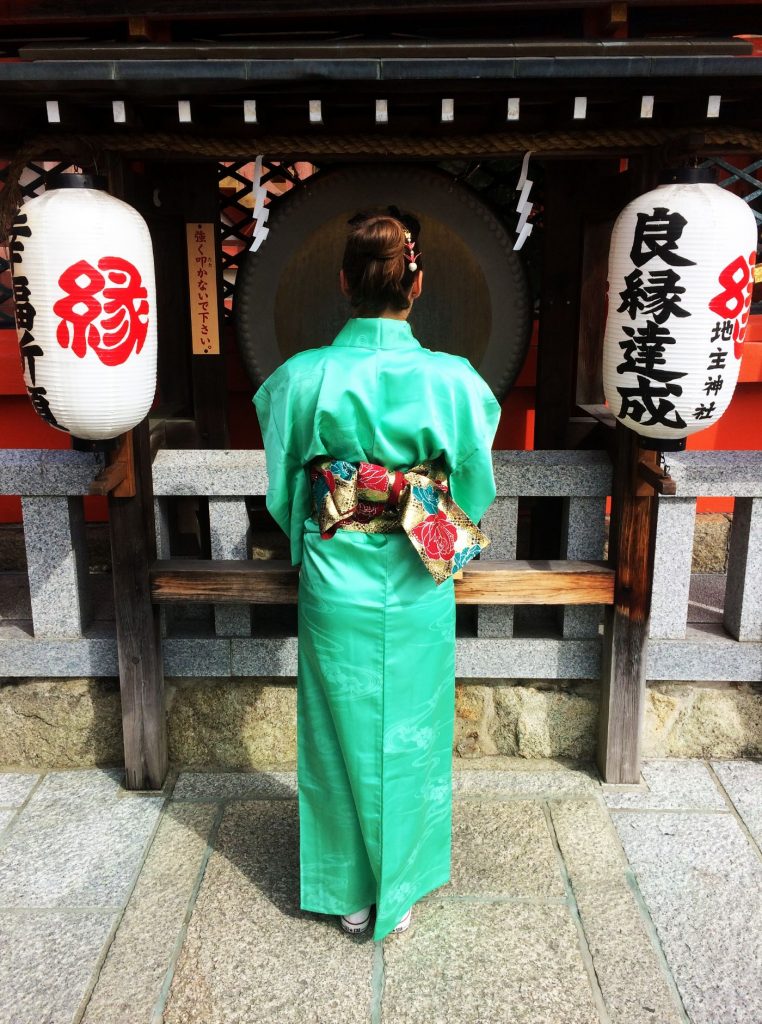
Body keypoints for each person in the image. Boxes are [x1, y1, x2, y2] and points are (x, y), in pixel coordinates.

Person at [252, 207, 501, 941]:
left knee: (336, 725)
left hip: (338, 564)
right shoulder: (454, 380)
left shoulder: (305, 375)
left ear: (343, 284)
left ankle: (347, 887)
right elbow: (474, 485)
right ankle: (404, 881)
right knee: (414, 726)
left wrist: (310, 531)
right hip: (419, 562)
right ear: (415, 285)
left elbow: (281, 485)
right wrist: (422, 511)